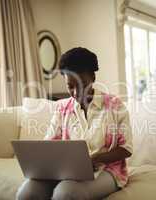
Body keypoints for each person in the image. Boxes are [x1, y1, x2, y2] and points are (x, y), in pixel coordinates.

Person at [16, 47, 133, 200]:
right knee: (27, 192)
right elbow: (49, 143)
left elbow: (126, 149)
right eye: (70, 86)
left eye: (82, 84)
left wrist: (94, 159)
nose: (77, 93)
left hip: (108, 170)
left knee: (65, 193)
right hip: (66, 170)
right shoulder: (62, 108)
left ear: (92, 77)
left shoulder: (114, 105)